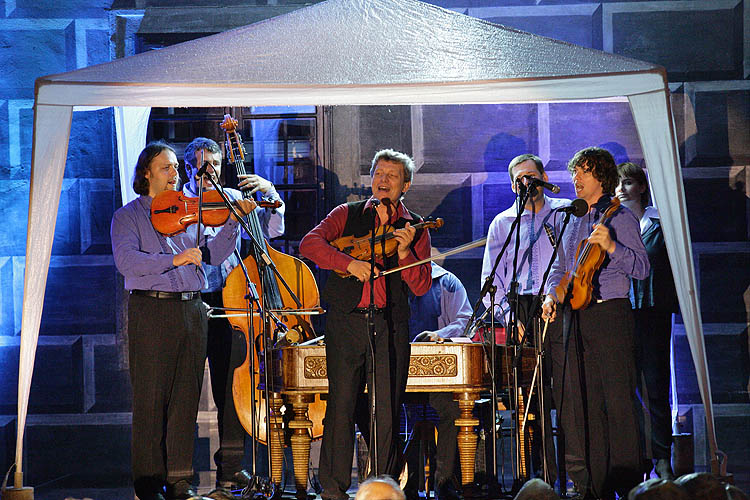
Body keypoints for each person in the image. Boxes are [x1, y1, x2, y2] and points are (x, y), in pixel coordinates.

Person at [111, 141, 255, 500]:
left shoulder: (189, 214)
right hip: (152, 310)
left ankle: (179, 482)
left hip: (192, 310)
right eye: (167, 167)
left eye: (176, 167)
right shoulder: (127, 216)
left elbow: (213, 254)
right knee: (151, 399)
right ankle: (148, 483)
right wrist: (171, 262)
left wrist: (234, 222)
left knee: (185, 399)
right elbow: (127, 262)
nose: (176, 174)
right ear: (146, 172)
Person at [299, 149, 432, 500]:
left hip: (390, 325)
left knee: (387, 408)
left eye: (392, 175)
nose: (383, 180)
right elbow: (309, 243)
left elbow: (421, 285)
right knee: (341, 405)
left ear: (406, 185)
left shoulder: (415, 226)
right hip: (346, 322)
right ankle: (332, 487)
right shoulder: (347, 213)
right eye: (379, 173)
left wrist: (405, 254)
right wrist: (348, 263)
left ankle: (384, 486)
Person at [542, 147, 650, 499]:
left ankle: (629, 483)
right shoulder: (571, 218)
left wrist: (614, 247)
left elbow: (642, 269)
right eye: (574, 172)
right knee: (583, 402)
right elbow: (561, 267)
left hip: (611, 313)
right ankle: (594, 484)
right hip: (576, 316)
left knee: (617, 401)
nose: (576, 178)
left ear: (601, 177)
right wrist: (550, 295)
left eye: (583, 172)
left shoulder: (620, 218)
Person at [181, 137, 285, 498]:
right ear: (189, 166)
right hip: (190, 300)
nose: (206, 170)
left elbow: (273, 231)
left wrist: (271, 193)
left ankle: (231, 467)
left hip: (230, 302)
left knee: (230, 384)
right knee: (186, 388)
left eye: (213, 163)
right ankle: (179, 472)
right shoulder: (176, 202)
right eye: (200, 164)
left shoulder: (232, 197)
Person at [480, 153, 570, 488]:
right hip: (520, 309)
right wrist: (508, 315)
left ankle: (568, 478)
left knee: (562, 395)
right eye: (520, 179)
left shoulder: (563, 213)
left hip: (556, 308)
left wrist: (556, 297)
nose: (526, 183)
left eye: (531, 176)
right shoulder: (503, 223)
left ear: (544, 177)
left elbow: (571, 262)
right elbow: (492, 280)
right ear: (512, 184)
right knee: (529, 403)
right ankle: (531, 478)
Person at [616, 162, 678, 480]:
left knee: (655, 386)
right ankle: (634, 459)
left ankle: (662, 457)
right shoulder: (611, 226)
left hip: (653, 311)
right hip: (622, 313)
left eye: (627, 182)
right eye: (617, 184)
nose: (621, 189)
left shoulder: (661, 223)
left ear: (641, 186)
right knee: (625, 389)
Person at [405, 261, 473, 500]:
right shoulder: (390, 280)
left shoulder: (446, 281)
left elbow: (465, 320)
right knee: (380, 409)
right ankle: (402, 482)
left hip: (438, 372)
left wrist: (439, 335)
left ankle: (444, 482)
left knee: (451, 410)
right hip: (398, 370)